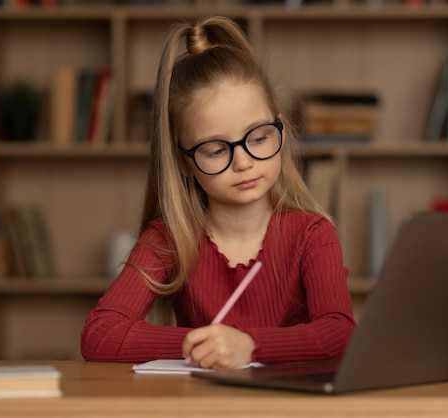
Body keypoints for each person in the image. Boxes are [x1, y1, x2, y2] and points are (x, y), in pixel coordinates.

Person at [80, 16, 356, 370]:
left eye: (258, 138)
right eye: (215, 150)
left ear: (282, 132)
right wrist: (204, 343)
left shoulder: (312, 234)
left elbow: (340, 333)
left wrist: (251, 346)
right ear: (183, 161)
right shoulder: (169, 238)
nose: (243, 162)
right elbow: (99, 334)